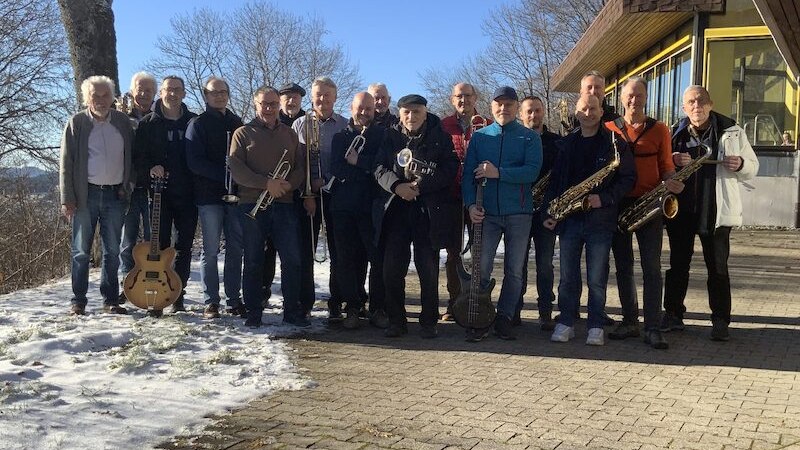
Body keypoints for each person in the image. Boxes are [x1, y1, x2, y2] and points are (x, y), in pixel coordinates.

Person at [662, 85, 759, 341]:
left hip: (716, 210)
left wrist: (740, 164)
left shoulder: (732, 131)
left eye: (701, 101)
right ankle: (672, 314)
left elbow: (753, 166)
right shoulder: (674, 133)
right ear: (684, 108)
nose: (697, 106)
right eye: (691, 102)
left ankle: (719, 320)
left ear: (711, 103)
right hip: (681, 211)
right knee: (677, 265)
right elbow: (661, 169)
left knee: (717, 268)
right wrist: (671, 159)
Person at [544, 95, 635, 345]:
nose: (588, 112)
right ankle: (566, 322)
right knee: (567, 277)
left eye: (593, 108)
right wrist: (551, 212)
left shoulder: (615, 142)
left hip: (600, 220)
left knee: (596, 278)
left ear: (601, 110)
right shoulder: (567, 143)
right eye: (583, 108)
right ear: (576, 112)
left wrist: (604, 198)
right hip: (570, 219)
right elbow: (556, 181)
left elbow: (628, 178)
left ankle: (595, 324)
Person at [373, 94, 459, 338]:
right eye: (406, 112)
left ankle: (428, 321)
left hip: (427, 210)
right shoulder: (389, 136)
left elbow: (450, 168)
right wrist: (397, 186)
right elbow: (379, 168)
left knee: (428, 268)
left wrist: (422, 187)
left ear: (425, 112)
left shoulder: (440, 136)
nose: (411, 117)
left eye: (416, 112)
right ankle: (397, 321)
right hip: (397, 209)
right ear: (399, 113)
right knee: (392, 269)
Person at [605, 77, 681, 349]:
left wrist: (673, 181)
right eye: (629, 95)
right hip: (617, 205)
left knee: (652, 268)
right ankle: (629, 321)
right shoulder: (610, 128)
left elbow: (666, 164)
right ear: (621, 98)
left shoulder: (660, 129)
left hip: (650, 205)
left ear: (646, 98)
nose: (634, 100)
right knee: (623, 267)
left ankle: (652, 326)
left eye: (639, 95)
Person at [462, 86, 542, 341]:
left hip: (519, 213)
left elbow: (532, 172)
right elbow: (467, 176)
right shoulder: (480, 137)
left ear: (516, 107)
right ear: (491, 106)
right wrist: (470, 205)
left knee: (515, 270)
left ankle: (505, 317)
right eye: (499, 104)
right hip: (487, 214)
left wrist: (499, 173)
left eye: (509, 104)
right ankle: (481, 317)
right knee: (481, 268)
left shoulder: (529, 138)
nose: (503, 108)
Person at [228, 86, 306, 328]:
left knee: (292, 259)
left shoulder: (290, 134)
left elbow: (299, 169)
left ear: (279, 105)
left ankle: (292, 311)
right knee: (253, 260)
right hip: (252, 204)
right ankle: (254, 312)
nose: (269, 108)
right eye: (265, 104)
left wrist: (284, 187)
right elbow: (237, 169)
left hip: (283, 204)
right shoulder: (242, 133)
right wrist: (266, 184)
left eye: (273, 104)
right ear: (256, 104)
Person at [60, 75, 134, 315]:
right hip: (85, 196)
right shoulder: (77, 123)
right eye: (95, 95)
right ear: (86, 97)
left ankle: (111, 299)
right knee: (81, 251)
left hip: (115, 195)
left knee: (112, 250)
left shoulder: (123, 122)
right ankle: (78, 300)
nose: (101, 100)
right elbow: (66, 163)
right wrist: (67, 198)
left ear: (112, 97)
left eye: (105, 95)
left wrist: (129, 185)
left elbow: (132, 158)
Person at [135, 75, 198, 315]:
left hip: (188, 195)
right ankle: (157, 297)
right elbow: (138, 158)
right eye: (168, 90)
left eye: (177, 90)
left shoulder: (194, 122)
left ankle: (177, 294)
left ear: (184, 93)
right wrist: (151, 166)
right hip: (159, 196)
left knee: (184, 247)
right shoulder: (148, 123)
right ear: (161, 93)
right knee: (158, 247)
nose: (172, 94)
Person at [186, 76, 246, 319]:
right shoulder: (197, 124)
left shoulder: (237, 123)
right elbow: (194, 162)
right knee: (210, 251)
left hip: (236, 196)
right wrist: (225, 175)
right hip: (209, 196)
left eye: (223, 92)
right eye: (214, 93)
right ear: (206, 96)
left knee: (236, 250)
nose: (219, 96)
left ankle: (233, 299)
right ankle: (211, 301)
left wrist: (238, 178)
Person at [329, 92, 388, 329]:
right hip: (342, 207)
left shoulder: (382, 136)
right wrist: (364, 172)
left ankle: (377, 308)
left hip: (372, 208)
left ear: (375, 110)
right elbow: (336, 168)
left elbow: (381, 167)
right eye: (360, 108)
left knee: (376, 259)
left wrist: (358, 163)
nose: (364, 113)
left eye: (369, 109)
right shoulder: (339, 137)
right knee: (345, 259)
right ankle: (352, 306)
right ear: (351, 108)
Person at [292, 77, 347, 319]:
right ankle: (305, 301)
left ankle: (337, 299)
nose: (322, 99)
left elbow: (347, 162)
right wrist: (308, 190)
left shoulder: (345, 125)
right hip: (308, 198)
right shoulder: (299, 125)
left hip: (336, 196)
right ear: (311, 97)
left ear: (335, 98)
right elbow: (294, 162)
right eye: (318, 95)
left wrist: (328, 181)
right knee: (306, 251)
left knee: (339, 251)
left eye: (327, 95)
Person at [440, 82, 492, 321]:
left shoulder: (487, 125)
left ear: (475, 98)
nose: (464, 100)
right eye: (459, 96)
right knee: (453, 253)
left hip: (480, 196)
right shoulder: (443, 126)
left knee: (479, 251)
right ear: (453, 100)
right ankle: (454, 301)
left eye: (468, 96)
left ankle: (478, 300)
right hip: (451, 197)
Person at [516, 95, 560, 330]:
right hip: (520, 212)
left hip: (546, 213)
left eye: (538, 111)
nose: (534, 115)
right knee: (517, 264)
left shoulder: (556, 142)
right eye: (529, 111)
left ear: (544, 112)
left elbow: (562, 178)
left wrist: (554, 210)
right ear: (521, 114)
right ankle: (514, 310)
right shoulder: (513, 139)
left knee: (545, 264)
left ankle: (545, 312)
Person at [119, 71, 156, 289]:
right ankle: (127, 284)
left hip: (154, 189)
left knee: (154, 242)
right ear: (133, 91)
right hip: (129, 187)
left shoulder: (159, 118)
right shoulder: (121, 118)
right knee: (127, 241)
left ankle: (152, 282)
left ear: (155, 94)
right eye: (139, 89)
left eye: (148, 90)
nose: (143, 94)